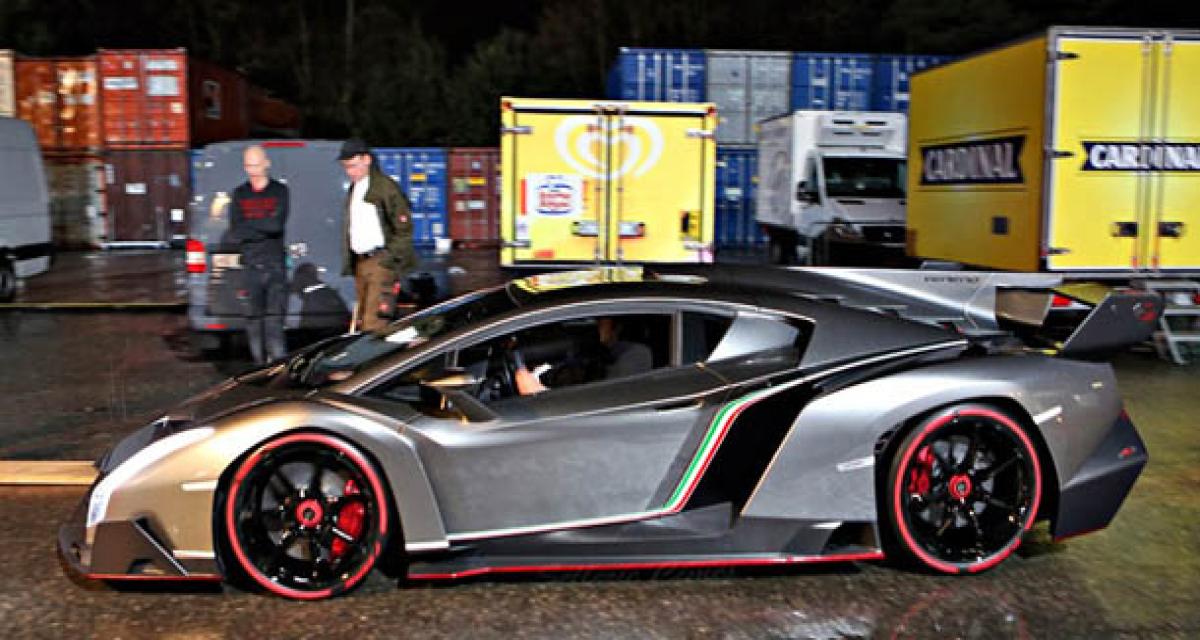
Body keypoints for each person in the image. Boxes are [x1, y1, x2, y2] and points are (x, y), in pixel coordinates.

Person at [338, 139, 416, 332]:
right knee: (364, 317)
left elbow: (404, 228)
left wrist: (389, 259)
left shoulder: (385, 188)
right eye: (346, 167)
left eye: (353, 165)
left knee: (374, 323)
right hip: (360, 262)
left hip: (380, 261)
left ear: (367, 160)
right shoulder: (354, 189)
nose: (349, 172)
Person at [230, 145, 290, 364]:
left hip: (274, 267)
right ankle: (259, 368)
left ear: (266, 164)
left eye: (256, 165)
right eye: (249, 166)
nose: (253, 171)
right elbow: (236, 232)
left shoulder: (279, 191)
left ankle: (278, 370)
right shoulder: (240, 194)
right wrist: (262, 226)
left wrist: (250, 226)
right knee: (253, 323)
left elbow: (276, 225)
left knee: (274, 324)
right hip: (250, 267)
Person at [514, 316, 652, 396]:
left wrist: (539, 393)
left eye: (601, 322)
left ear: (618, 327)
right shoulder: (601, 351)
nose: (597, 326)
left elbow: (602, 401)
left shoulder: (634, 355)